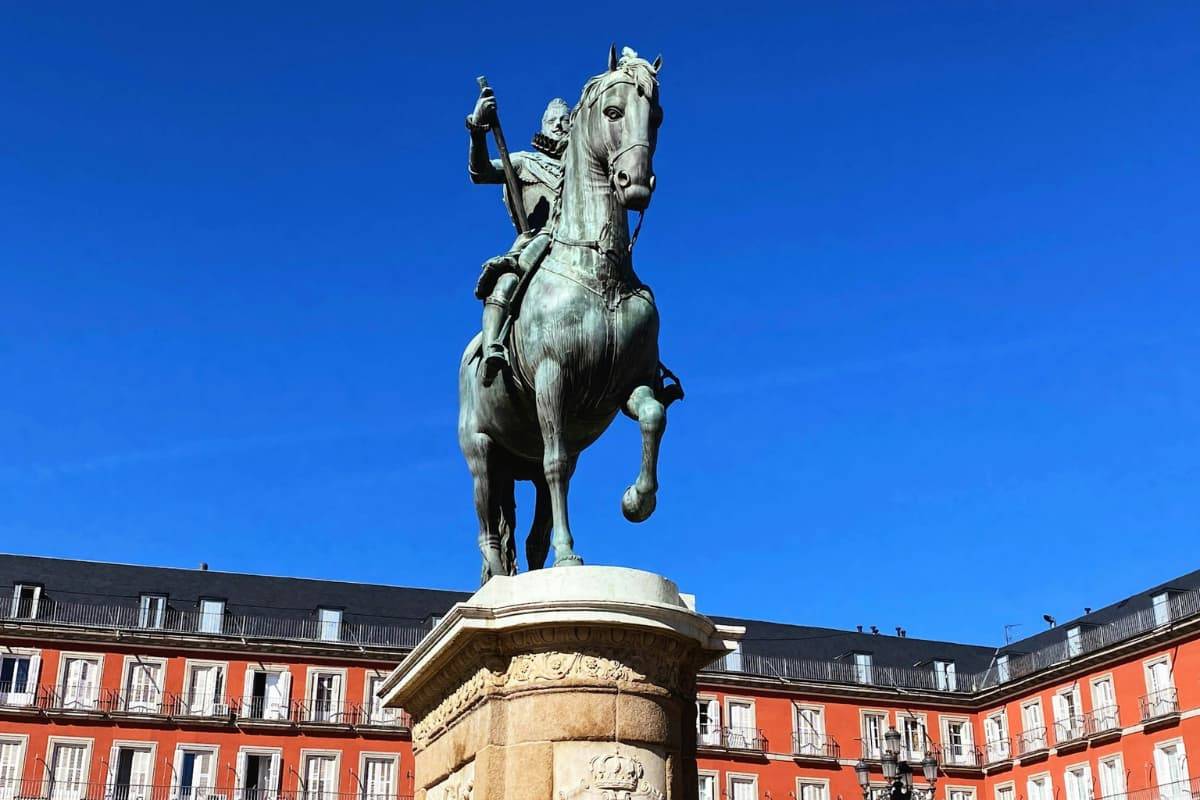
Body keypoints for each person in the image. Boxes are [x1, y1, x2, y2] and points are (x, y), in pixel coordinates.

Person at [466, 88, 571, 385]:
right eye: (553, 121)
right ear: (542, 126)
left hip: (580, 245)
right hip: (538, 243)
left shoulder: (582, 169)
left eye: (566, 120)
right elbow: (481, 172)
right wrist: (478, 129)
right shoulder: (527, 162)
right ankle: (492, 348)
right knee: (507, 280)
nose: (560, 125)